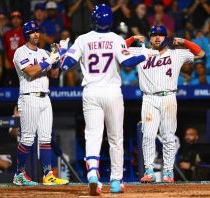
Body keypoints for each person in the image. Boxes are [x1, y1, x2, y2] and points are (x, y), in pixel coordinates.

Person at [58, 4, 148, 195]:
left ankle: (92, 174)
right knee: (116, 138)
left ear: (94, 20)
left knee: (93, 135)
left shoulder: (82, 39)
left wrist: (61, 51)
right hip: (112, 92)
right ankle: (116, 181)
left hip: (91, 91)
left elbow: (65, 65)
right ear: (111, 20)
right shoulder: (116, 39)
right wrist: (143, 54)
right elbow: (127, 63)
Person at [125, 25, 205, 183]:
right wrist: (133, 39)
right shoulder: (142, 52)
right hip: (148, 98)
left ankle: (169, 172)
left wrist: (184, 41)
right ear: (149, 38)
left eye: (161, 35)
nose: (157, 37)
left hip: (168, 97)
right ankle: (149, 170)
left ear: (166, 37)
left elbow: (201, 53)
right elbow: (118, 49)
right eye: (154, 35)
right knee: (147, 135)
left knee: (169, 136)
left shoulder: (176, 53)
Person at [12, 20, 68, 186]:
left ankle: (48, 174)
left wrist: (57, 57)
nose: (36, 34)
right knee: (28, 138)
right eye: (32, 31)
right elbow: (31, 72)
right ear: (26, 34)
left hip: (45, 98)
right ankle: (19, 174)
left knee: (45, 137)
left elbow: (55, 74)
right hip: (29, 97)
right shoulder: (20, 52)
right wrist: (49, 60)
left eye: (37, 31)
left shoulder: (44, 52)